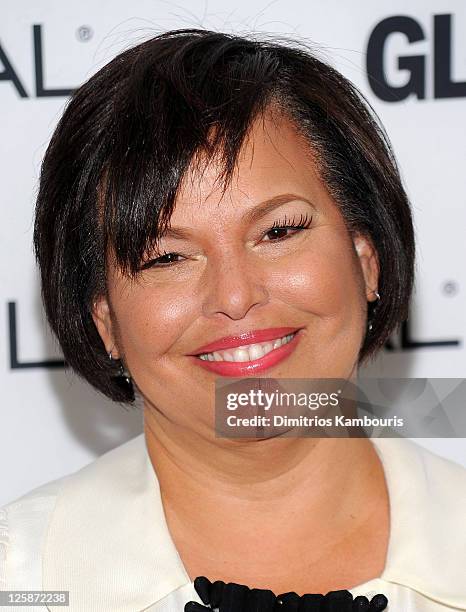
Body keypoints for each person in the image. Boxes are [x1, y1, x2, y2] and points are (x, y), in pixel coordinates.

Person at [1, 29, 465, 612]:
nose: (236, 296)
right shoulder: (20, 579)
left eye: (278, 232)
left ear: (366, 260)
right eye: (167, 257)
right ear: (106, 322)